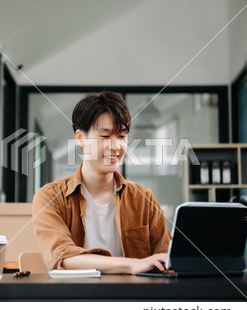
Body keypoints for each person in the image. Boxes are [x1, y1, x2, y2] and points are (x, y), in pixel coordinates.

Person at [32, 91, 171, 274]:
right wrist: (132, 264)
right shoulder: (50, 197)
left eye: (121, 136)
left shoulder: (144, 199)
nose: (115, 146)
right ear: (81, 138)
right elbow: (63, 258)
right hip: (77, 299)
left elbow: (165, 259)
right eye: (105, 137)